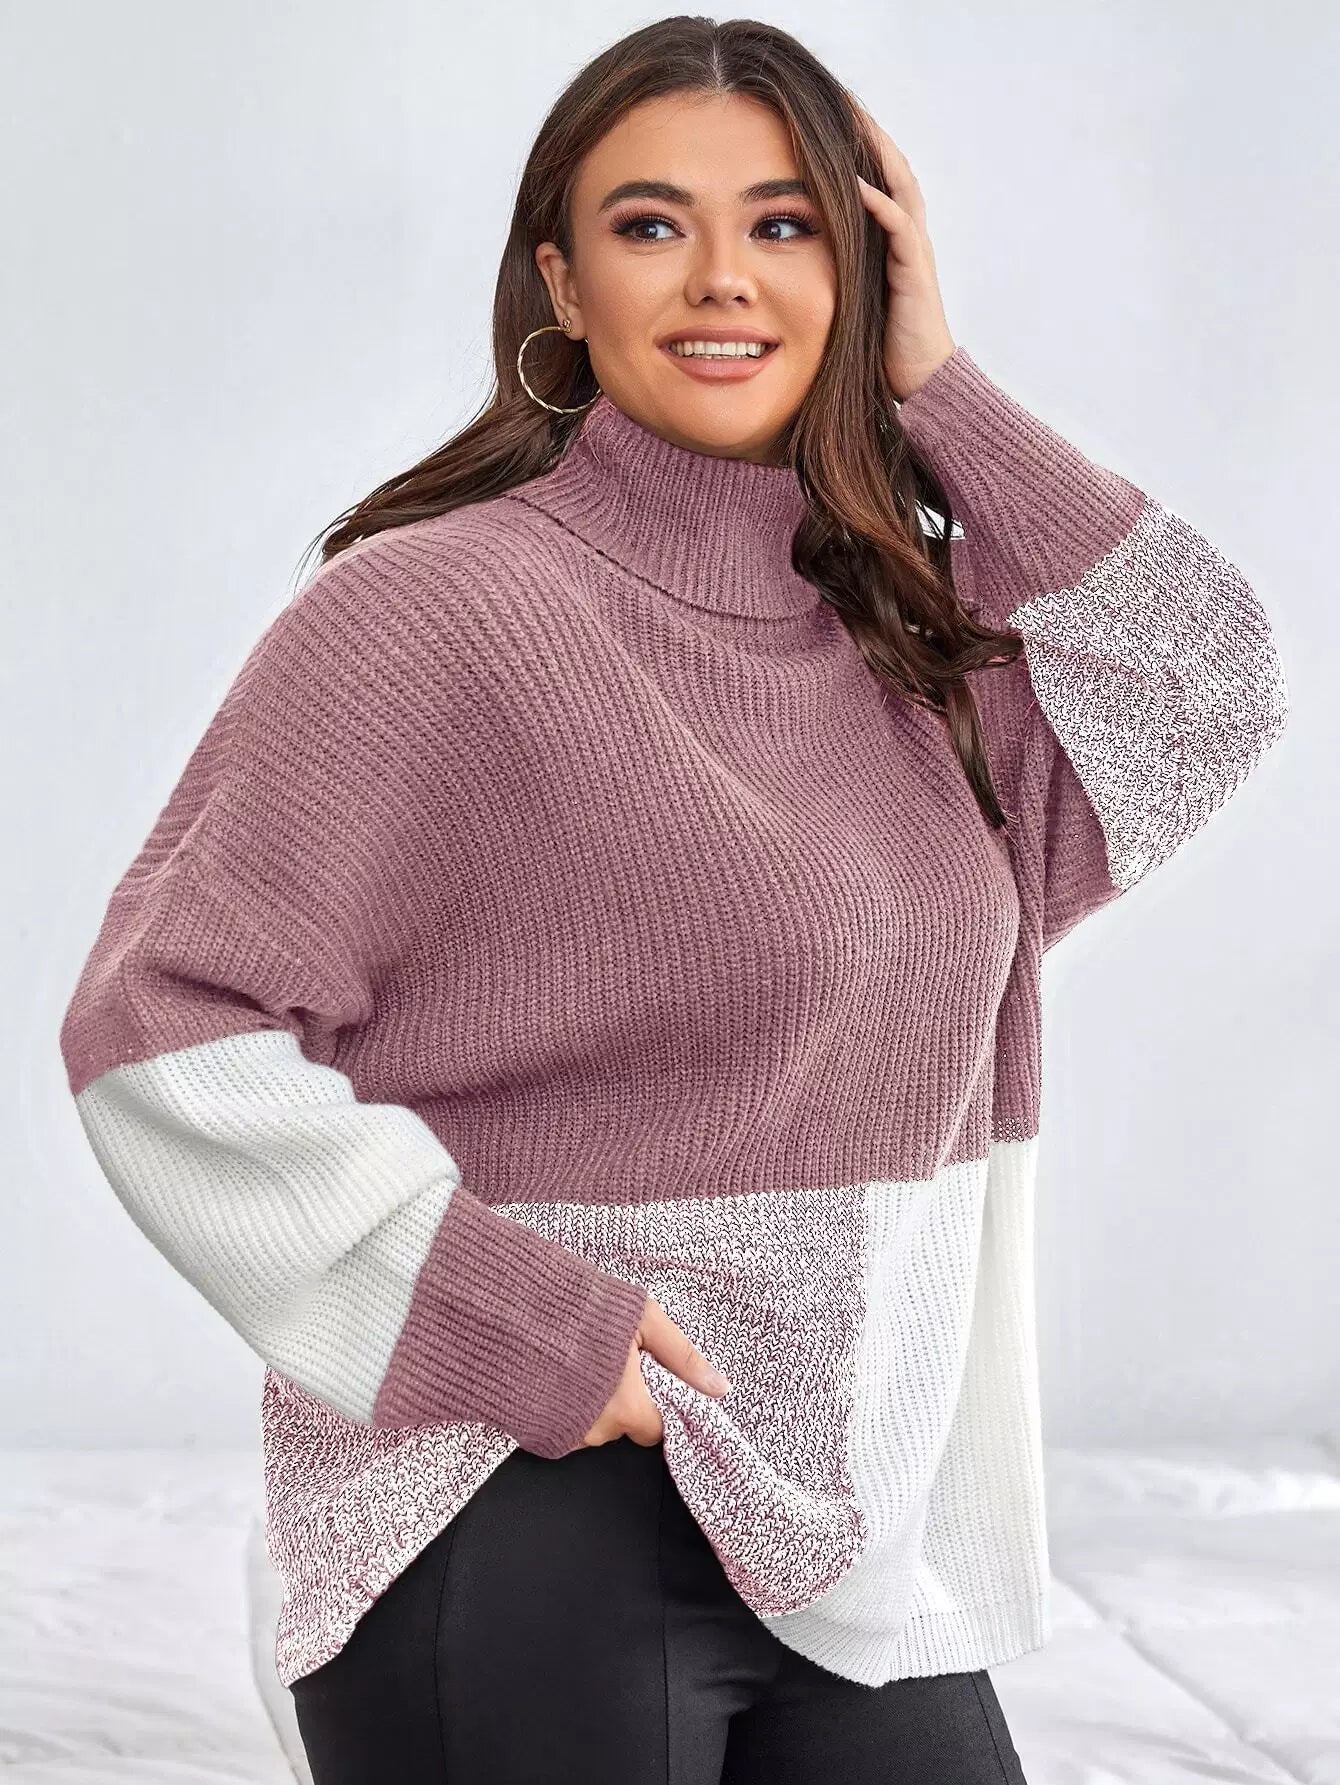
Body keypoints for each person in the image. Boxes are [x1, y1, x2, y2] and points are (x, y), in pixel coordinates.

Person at [56, 16, 1289, 1785]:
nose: (723, 277)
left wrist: (938, 382)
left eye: (786, 225)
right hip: (524, 1494)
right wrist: (513, 1318)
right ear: (561, 281)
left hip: (848, 1544)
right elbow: (157, 1022)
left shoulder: (919, 647)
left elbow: (1204, 684)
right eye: (651, 225)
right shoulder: (435, 611)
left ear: (859, 267)